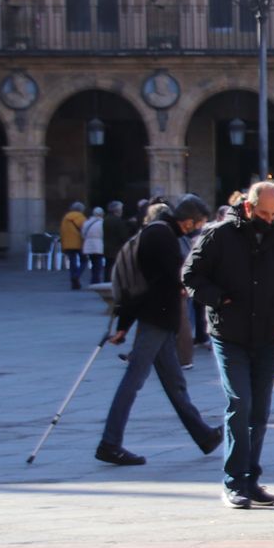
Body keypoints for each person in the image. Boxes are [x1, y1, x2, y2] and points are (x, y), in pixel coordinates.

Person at [182, 180, 274, 510]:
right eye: (263, 213)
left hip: (268, 334)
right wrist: (218, 299)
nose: (269, 220)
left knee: (259, 410)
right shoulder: (219, 236)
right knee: (240, 403)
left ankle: (251, 478)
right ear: (248, 207)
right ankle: (234, 480)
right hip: (230, 333)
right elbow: (191, 276)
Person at [97, 195, 222, 466]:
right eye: (199, 222)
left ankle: (205, 436)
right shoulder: (162, 237)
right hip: (156, 319)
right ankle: (110, 443)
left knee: (175, 384)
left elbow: (143, 284)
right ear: (188, 220)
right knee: (133, 380)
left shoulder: (157, 232)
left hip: (161, 321)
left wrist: (123, 325)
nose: (199, 227)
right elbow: (163, 282)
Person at [60, 201, 88, 289]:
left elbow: (62, 231)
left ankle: (74, 282)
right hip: (80, 243)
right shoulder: (81, 218)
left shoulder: (65, 218)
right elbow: (85, 231)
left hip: (68, 243)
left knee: (72, 262)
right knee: (84, 261)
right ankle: (77, 275)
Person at [82, 207, 107, 285]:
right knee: (98, 263)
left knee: (93, 262)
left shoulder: (87, 222)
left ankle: (93, 279)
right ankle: (96, 279)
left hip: (88, 244)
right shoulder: (102, 223)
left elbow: (83, 234)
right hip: (98, 244)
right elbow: (104, 234)